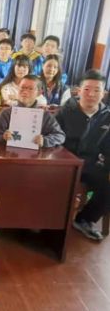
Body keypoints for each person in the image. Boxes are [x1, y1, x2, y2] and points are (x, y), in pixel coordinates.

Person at [56, 70, 110, 241]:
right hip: (64, 164)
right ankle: (50, 218)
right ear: (79, 90)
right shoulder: (65, 112)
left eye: (97, 90)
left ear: (104, 93)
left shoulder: (107, 116)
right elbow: (54, 138)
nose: (91, 94)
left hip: (92, 165)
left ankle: (85, 219)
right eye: (87, 89)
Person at [0, 75, 65, 147]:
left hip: (38, 153)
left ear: (39, 93)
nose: (25, 91)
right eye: (22, 87)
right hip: (10, 153)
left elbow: (60, 136)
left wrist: (45, 140)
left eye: (30, 89)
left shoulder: (45, 115)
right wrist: (3, 137)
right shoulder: (6, 113)